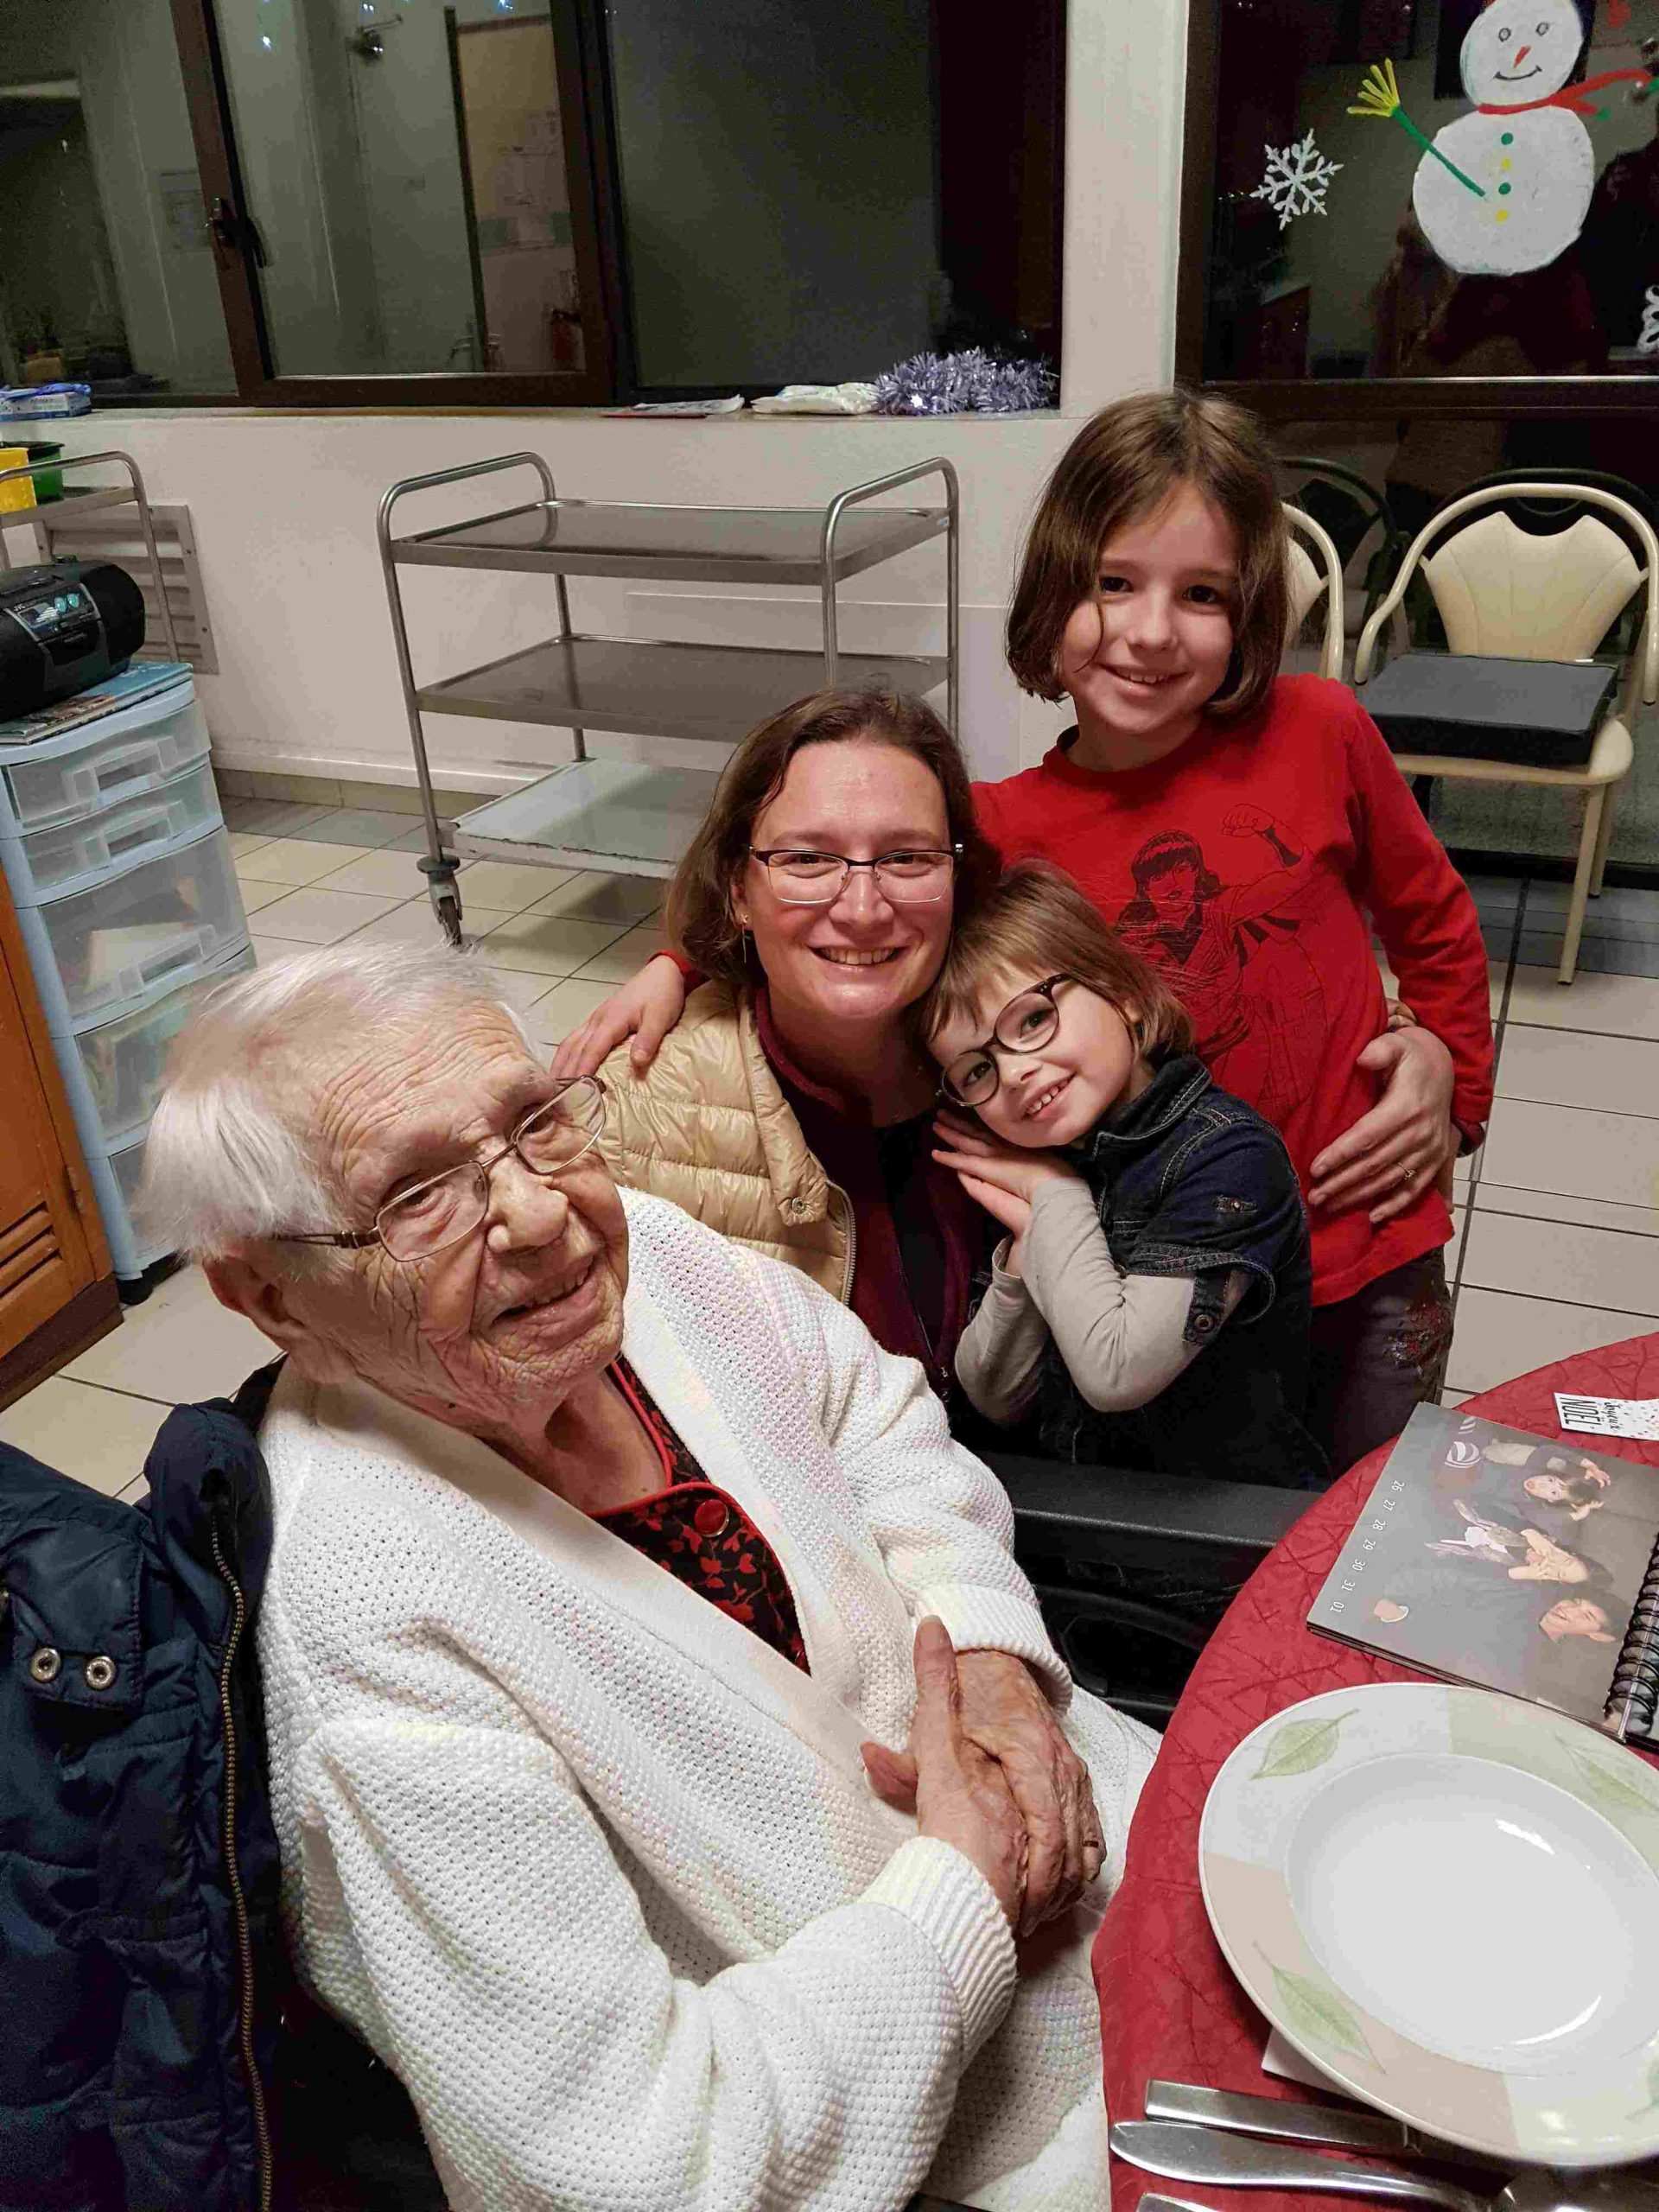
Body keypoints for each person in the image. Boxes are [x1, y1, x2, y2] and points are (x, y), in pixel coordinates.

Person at [138, 942, 1154, 2212]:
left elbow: (872, 1412)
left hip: (1116, 1813)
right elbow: (635, 2165)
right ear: (272, 1298)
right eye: (417, 1195)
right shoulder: (373, 1630)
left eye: (535, 1122)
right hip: (1015, 2124)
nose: (540, 1214)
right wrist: (961, 1899)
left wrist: (992, 1651)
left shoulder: (647, 1259)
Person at [555, 393, 1496, 1471]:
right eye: (1113, 583)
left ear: (1249, 613)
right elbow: (836, 886)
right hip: (1151, 1277)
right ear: (1053, 592)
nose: (1151, 630)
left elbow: (1435, 918)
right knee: (1221, 1508)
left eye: (1201, 594)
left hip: (1367, 1237)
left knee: (1372, 1518)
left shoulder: (1323, 730)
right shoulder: (1000, 831)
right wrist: (677, 961)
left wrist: (1449, 1076)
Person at [588, 687, 1000, 1408]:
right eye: (808, 859)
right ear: (739, 892)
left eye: (907, 857)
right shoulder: (630, 1122)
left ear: (956, 882)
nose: (863, 909)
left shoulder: (1029, 1064)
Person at [919, 861, 1325, 1488]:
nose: (1015, 1073)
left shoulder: (1228, 1156)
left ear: (1124, 993)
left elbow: (1115, 1373)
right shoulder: (1037, 1160)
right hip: (1077, 1518)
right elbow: (995, 1396)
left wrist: (1054, 1197)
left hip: (1215, 1535)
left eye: (1032, 1020)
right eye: (976, 1070)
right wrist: (1029, 1236)